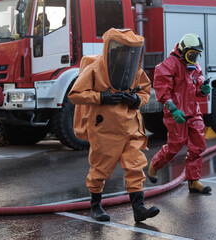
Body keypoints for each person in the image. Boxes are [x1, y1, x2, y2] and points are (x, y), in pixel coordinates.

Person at [68, 28, 160, 222]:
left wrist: (135, 100)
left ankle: (139, 208)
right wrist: (102, 97)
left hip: (131, 127)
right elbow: (75, 95)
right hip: (105, 128)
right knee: (100, 168)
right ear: (113, 48)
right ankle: (95, 206)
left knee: (136, 165)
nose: (127, 54)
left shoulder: (135, 70)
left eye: (130, 51)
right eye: (123, 49)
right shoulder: (95, 69)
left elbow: (145, 91)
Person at [148, 33, 212, 194]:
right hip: (175, 112)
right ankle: (155, 165)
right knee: (175, 146)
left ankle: (194, 181)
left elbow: (196, 90)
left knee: (198, 145)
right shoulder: (168, 66)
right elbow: (163, 92)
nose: (194, 57)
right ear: (183, 51)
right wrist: (173, 109)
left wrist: (203, 90)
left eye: (197, 54)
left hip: (193, 111)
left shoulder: (195, 67)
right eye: (192, 54)